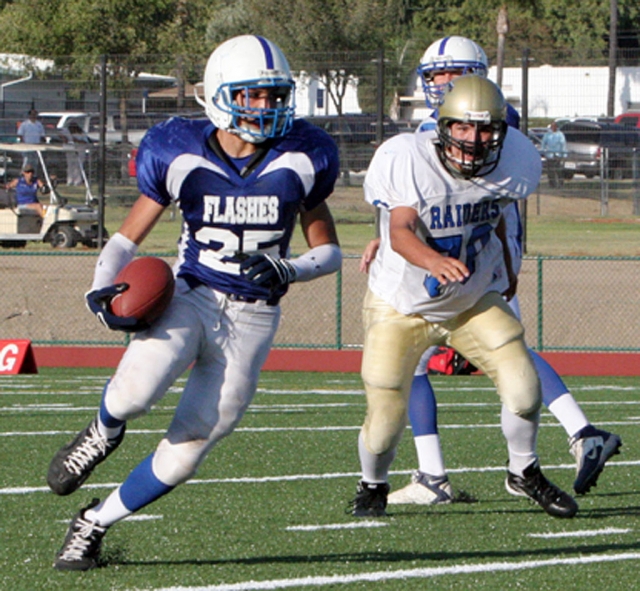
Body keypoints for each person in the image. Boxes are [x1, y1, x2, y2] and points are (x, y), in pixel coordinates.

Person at [47, 34, 342, 571]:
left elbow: (329, 252)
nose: (266, 107)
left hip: (255, 315)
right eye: (252, 95)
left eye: (274, 96)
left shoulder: (305, 155)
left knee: (190, 447)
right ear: (220, 96)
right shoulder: (179, 148)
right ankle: (102, 432)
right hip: (191, 293)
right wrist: (100, 285)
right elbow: (124, 240)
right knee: (136, 392)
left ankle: (94, 522)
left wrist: (289, 268)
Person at [360, 36, 621, 508]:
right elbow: (404, 215)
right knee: (393, 392)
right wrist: (395, 238)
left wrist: (506, 255)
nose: (445, 82)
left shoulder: (504, 138)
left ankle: (538, 456)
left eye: (455, 72)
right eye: (437, 75)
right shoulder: (413, 146)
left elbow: (493, 205)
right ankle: (410, 477)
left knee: (514, 364)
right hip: (410, 286)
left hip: (478, 269)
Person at [61, 121, 91, 186]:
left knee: (78, 166)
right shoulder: (66, 131)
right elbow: (61, 134)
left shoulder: (81, 133)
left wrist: (77, 140)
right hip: (70, 150)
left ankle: (77, 181)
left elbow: (85, 142)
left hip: (80, 150)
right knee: (70, 165)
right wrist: (64, 138)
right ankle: (70, 180)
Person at [540, 121, 567, 188]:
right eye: (552, 126)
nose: (553, 127)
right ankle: (552, 184)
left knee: (558, 171)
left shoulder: (560, 135)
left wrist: (564, 155)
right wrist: (543, 152)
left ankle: (561, 184)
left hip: (557, 155)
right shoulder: (547, 134)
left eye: (554, 126)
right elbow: (543, 143)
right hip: (549, 155)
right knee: (550, 171)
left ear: (556, 127)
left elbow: (563, 144)